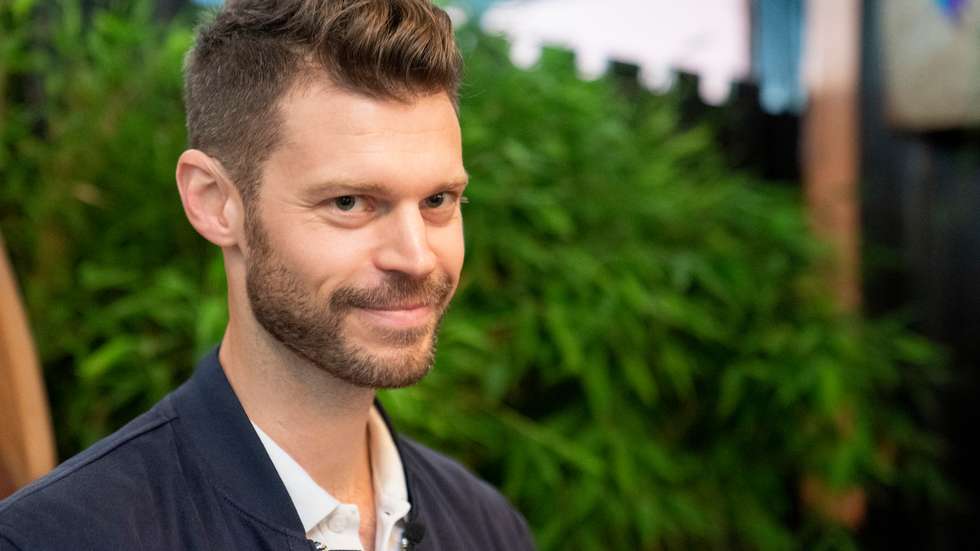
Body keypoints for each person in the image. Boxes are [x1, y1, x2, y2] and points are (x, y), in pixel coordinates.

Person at [0, 1, 536, 549]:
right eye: (349, 202)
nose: (416, 257)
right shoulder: (54, 538)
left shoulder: (489, 529)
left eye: (438, 200)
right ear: (214, 202)